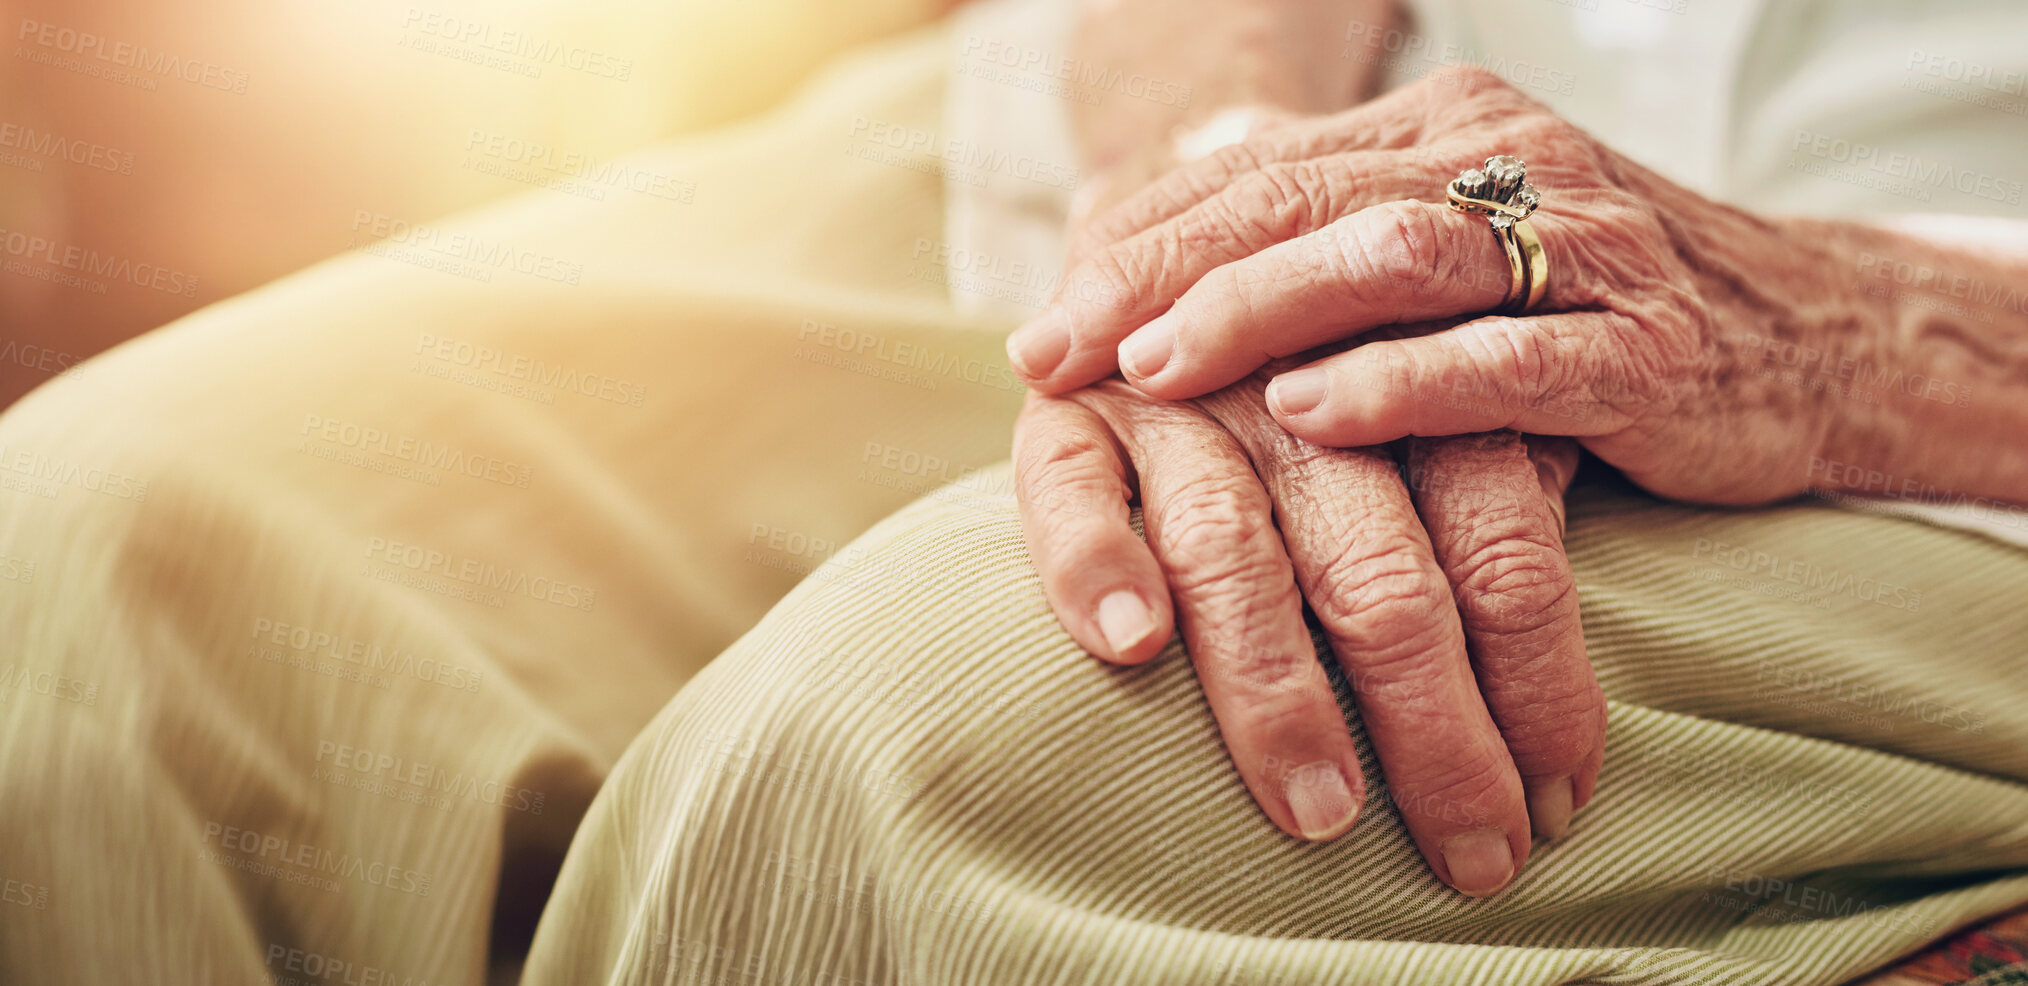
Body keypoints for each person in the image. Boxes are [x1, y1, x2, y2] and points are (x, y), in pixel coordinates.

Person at [0, 1, 2022, 984]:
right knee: (94, 571)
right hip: (1291, 106)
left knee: (913, 760)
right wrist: (1218, 204)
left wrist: (1863, 328)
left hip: (1947, 338)